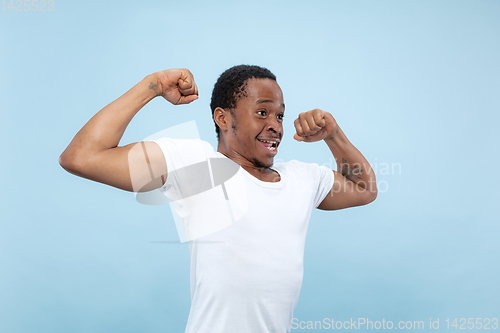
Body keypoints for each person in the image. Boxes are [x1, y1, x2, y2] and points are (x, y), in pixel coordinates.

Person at [60, 65, 378, 333]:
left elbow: (365, 189)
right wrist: (152, 85)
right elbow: (81, 157)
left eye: (280, 116)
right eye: (262, 112)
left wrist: (334, 135)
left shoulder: (302, 177)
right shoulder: (196, 165)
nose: (275, 126)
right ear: (223, 119)